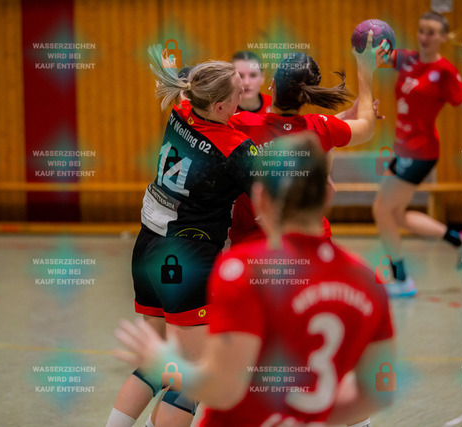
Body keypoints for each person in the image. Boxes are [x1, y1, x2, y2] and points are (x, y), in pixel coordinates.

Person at [115, 133, 396, 426]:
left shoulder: (240, 271)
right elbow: (379, 393)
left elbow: (223, 390)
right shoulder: (366, 280)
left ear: (259, 198)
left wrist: (162, 361)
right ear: (328, 193)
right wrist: (305, 412)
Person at [106, 45, 257, 427]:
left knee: (156, 364)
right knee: (194, 376)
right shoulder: (236, 149)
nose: (244, 92)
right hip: (186, 258)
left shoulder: (182, 110)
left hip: (147, 247)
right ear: (220, 107)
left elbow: (188, 82)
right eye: (238, 89)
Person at [228, 35, 386, 247]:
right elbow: (366, 126)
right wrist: (365, 69)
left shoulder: (240, 124)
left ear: (272, 84)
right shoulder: (322, 128)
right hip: (310, 241)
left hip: (254, 243)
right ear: (308, 96)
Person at [372, 11, 462, 297]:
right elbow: (376, 57)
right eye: (421, 30)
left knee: (382, 210)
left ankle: (401, 280)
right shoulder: (406, 59)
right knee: (395, 214)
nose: (424, 37)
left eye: (431, 32)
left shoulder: (445, 71)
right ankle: (458, 240)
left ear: (443, 37)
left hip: (420, 151)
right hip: (403, 148)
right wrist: (369, 42)